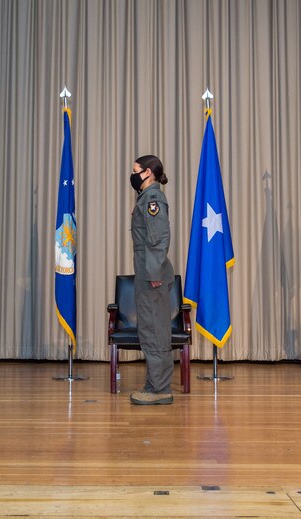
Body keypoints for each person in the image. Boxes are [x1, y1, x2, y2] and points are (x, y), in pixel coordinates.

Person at [128, 155, 175, 405]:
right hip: (146, 270)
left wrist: (154, 273)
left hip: (152, 274)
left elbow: (158, 239)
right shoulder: (146, 198)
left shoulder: (153, 199)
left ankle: (160, 390)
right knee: (148, 328)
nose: (132, 175)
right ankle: (154, 382)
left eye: (135, 170)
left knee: (155, 329)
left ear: (147, 173)